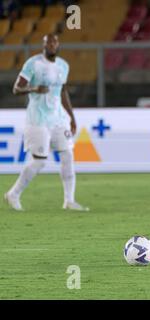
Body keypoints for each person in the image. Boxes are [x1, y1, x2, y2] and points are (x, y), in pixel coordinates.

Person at [4, 34, 88, 212]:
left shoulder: (63, 65)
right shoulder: (33, 64)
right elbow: (16, 88)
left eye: (54, 42)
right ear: (43, 45)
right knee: (40, 161)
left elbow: (63, 91)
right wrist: (34, 88)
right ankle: (13, 194)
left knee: (68, 155)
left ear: (58, 45)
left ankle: (69, 201)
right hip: (38, 120)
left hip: (58, 119)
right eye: (48, 43)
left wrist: (71, 117)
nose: (52, 45)